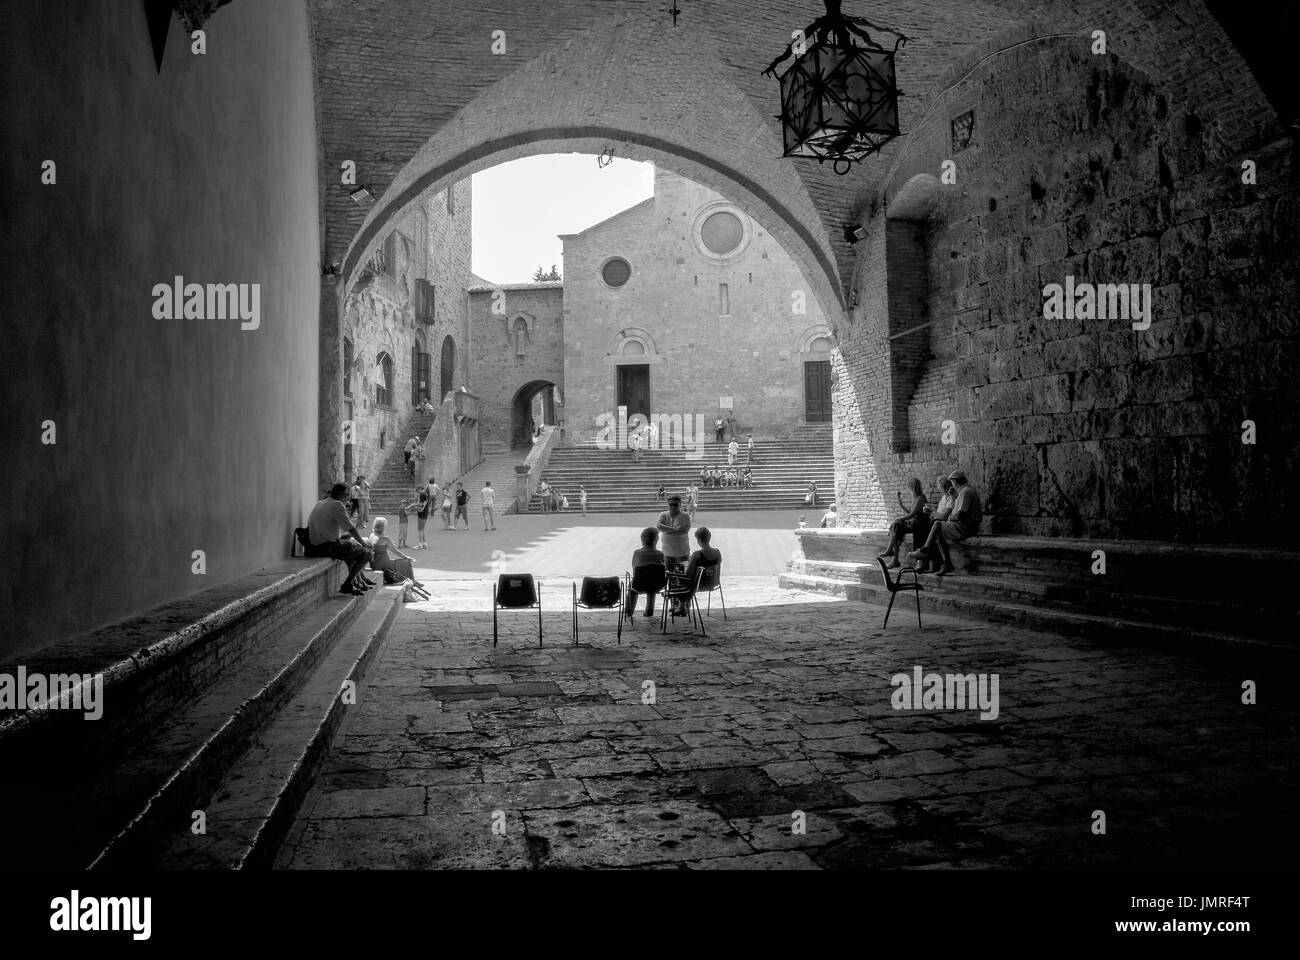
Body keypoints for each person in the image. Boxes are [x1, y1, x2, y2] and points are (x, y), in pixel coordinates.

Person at [909, 470, 983, 576]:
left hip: (967, 527)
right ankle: (946, 564)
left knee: (937, 524)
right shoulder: (965, 491)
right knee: (938, 531)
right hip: (966, 525)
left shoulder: (965, 492)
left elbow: (959, 515)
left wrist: (950, 517)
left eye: (952, 482)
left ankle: (925, 551)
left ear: (955, 482)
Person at [305, 483, 374, 596]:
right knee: (368, 553)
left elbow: (330, 529)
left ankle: (357, 582)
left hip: (314, 546)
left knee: (351, 549)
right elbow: (351, 528)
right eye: (347, 495)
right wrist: (363, 544)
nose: (348, 498)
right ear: (341, 494)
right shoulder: (337, 504)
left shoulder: (320, 503)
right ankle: (347, 584)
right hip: (327, 547)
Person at [367, 518, 429, 598]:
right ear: (382, 527)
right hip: (384, 565)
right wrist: (407, 557)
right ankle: (413, 581)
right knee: (406, 562)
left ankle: (413, 581)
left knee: (402, 562)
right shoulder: (385, 539)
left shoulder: (372, 535)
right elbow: (395, 551)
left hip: (375, 564)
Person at [878, 478, 930, 569]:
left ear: (912, 487)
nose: (908, 488)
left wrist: (899, 518)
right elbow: (910, 513)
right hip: (914, 522)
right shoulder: (914, 497)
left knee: (896, 523)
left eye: (909, 486)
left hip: (920, 524)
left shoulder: (921, 498)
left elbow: (912, 515)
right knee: (896, 527)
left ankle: (891, 553)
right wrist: (901, 505)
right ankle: (894, 559)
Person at [671, 527, 722, 616]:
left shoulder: (697, 555)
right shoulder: (717, 552)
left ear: (698, 540)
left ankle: (681, 606)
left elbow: (688, 575)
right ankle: (684, 606)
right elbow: (718, 569)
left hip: (699, 585)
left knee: (677, 577)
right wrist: (716, 580)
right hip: (713, 583)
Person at [624, 527, 666, 619]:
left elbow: (634, 569)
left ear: (642, 540)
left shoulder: (637, 553)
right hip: (657, 585)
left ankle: (629, 610)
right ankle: (649, 610)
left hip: (639, 584)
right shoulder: (660, 554)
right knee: (653, 579)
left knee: (632, 586)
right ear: (656, 540)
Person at [656, 494, 692, 573]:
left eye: (675, 504)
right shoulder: (663, 514)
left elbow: (684, 531)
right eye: (670, 504)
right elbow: (659, 526)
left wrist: (666, 530)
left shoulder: (685, 516)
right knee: (669, 577)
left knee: (682, 578)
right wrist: (676, 530)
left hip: (682, 553)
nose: (673, 506)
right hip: (667, 553)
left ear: (680, 505)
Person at [414, 484, 430, 549]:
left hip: (422, 513)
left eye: (418, 490)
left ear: (420, 489)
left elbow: (421, 506)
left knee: (420, 529)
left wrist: (414, 507)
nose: (417, 492)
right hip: (425, 513)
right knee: (422, 529)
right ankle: (424, 543)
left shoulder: (422, 495)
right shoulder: (426, 494)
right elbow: (423, 504)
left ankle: (420, 544)